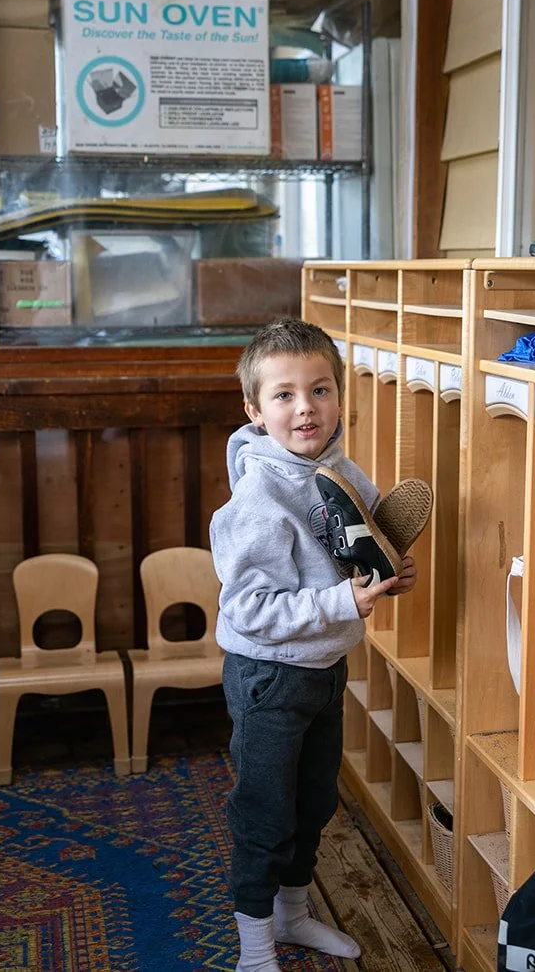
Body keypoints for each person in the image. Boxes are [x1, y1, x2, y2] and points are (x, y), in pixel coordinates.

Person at [210, 318, 418, 971]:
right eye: (284, 395)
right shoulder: (258, 497)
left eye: (320, 389)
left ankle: (293, 916)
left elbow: (361, 551)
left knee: (315, 802)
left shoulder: (337, 467)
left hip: (325, 667)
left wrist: (390, 572)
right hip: (268, 676)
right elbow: (246, 606)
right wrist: (341, 602)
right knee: (266, 812)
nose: (306, 407)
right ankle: (253, 947)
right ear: (254, 408)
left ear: (339, 395)